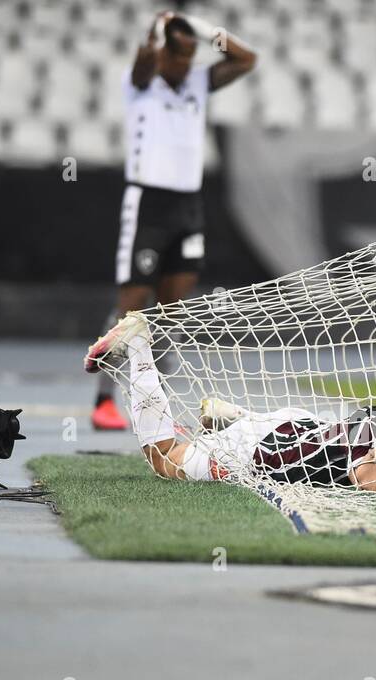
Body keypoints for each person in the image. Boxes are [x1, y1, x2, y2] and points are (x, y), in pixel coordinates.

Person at [85, 314, 376, 492]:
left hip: (298, 428)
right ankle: (139, 344)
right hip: (261, 450)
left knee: (309, 434)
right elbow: (371, 482)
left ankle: (233, 417)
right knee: (163, 461)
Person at [91, 10, 257, 430]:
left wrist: (201, 30)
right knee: (132, 309)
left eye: (191, 54)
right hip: (148, 204)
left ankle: (157, 411)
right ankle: (104, 401)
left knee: (172, 314)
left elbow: (246, 59)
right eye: (178, 53)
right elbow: (146, 57)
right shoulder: (141, 81)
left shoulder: (198, 82)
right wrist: (157, 31)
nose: (185, 63)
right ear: (163, 50)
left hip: (188, 207)